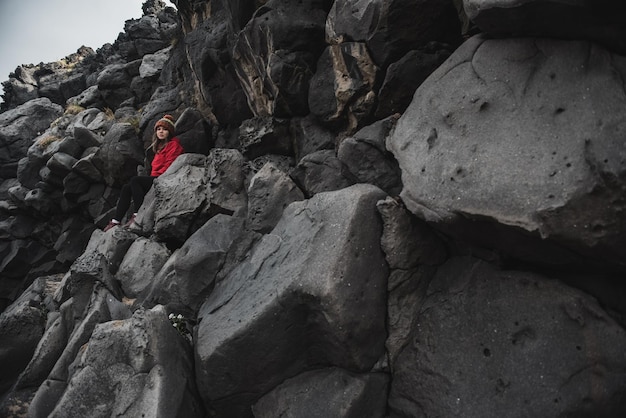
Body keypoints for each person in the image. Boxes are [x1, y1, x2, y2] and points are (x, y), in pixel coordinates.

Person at [104, 114, 184, 231]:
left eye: (165, 129)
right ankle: (116, 221)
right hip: (156, 178)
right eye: (159, 129)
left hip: (165, 179)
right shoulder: (159, 147)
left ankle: (138, 214)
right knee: (127, 188)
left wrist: (158, 178)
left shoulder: (174, 145)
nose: (161, 132)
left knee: (135, 180)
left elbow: (170, 166)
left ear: (170, 132)